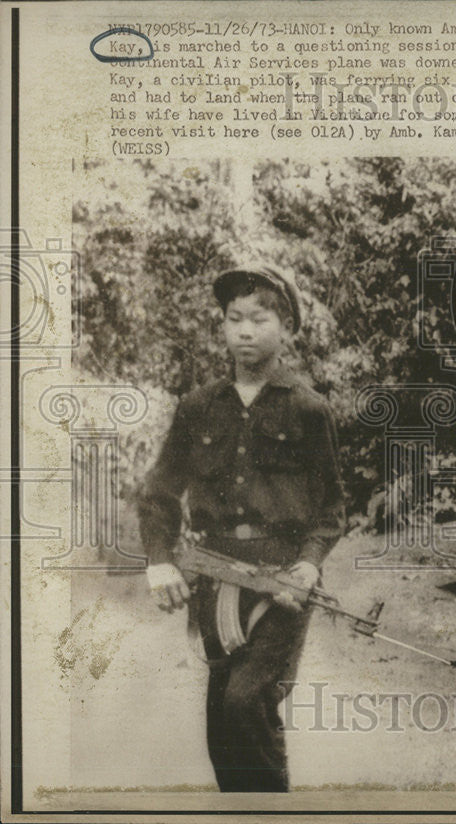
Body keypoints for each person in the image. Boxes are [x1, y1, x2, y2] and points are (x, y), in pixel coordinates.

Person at [138, 264, 345, 792]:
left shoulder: (308, 409)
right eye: (234, 319)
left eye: (259, 318)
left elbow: (330, 511)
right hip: (214, 577)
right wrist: (160, 561)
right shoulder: (198, 407)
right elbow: (160, 491)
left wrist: (308, 564)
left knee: (247, 703)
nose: (245, 330)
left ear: (288, 326)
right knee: (221, 727)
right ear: (223, 326)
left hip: (281, 584)